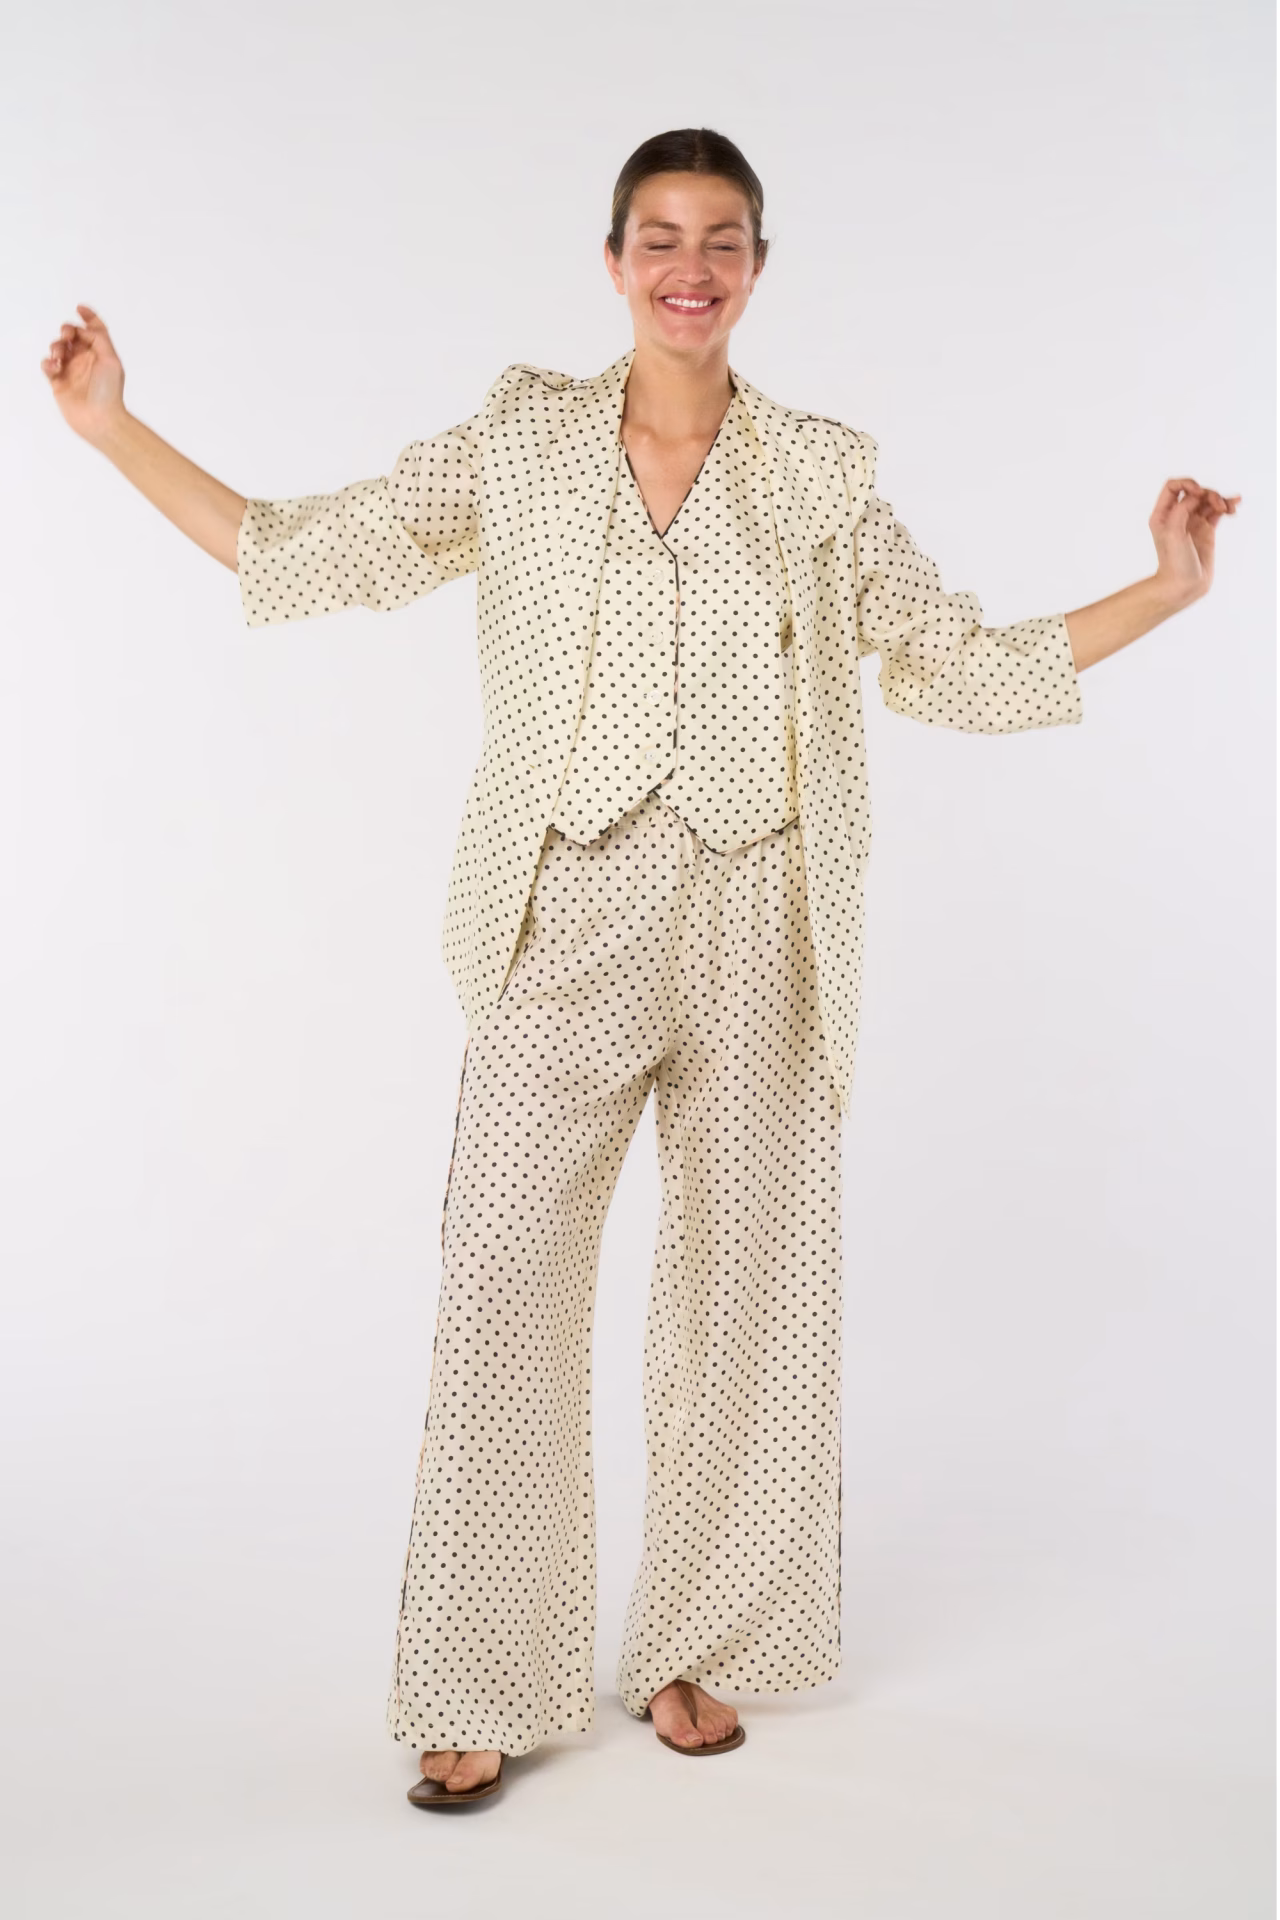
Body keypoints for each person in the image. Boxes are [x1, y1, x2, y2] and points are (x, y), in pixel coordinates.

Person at [41, 127, 1239, 1809]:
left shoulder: (818, 474)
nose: (691, 266)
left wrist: (1167, 592)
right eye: (660, 237)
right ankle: (480, 1676)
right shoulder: (523, 441)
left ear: (757, 270)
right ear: (613, 263)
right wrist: (110, 428)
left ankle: (697, 1642)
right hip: (565, 915)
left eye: (722, 239)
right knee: (499, 1280)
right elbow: (299, 550)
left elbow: (952, 664)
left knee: (747, 1295)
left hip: (766, 919)